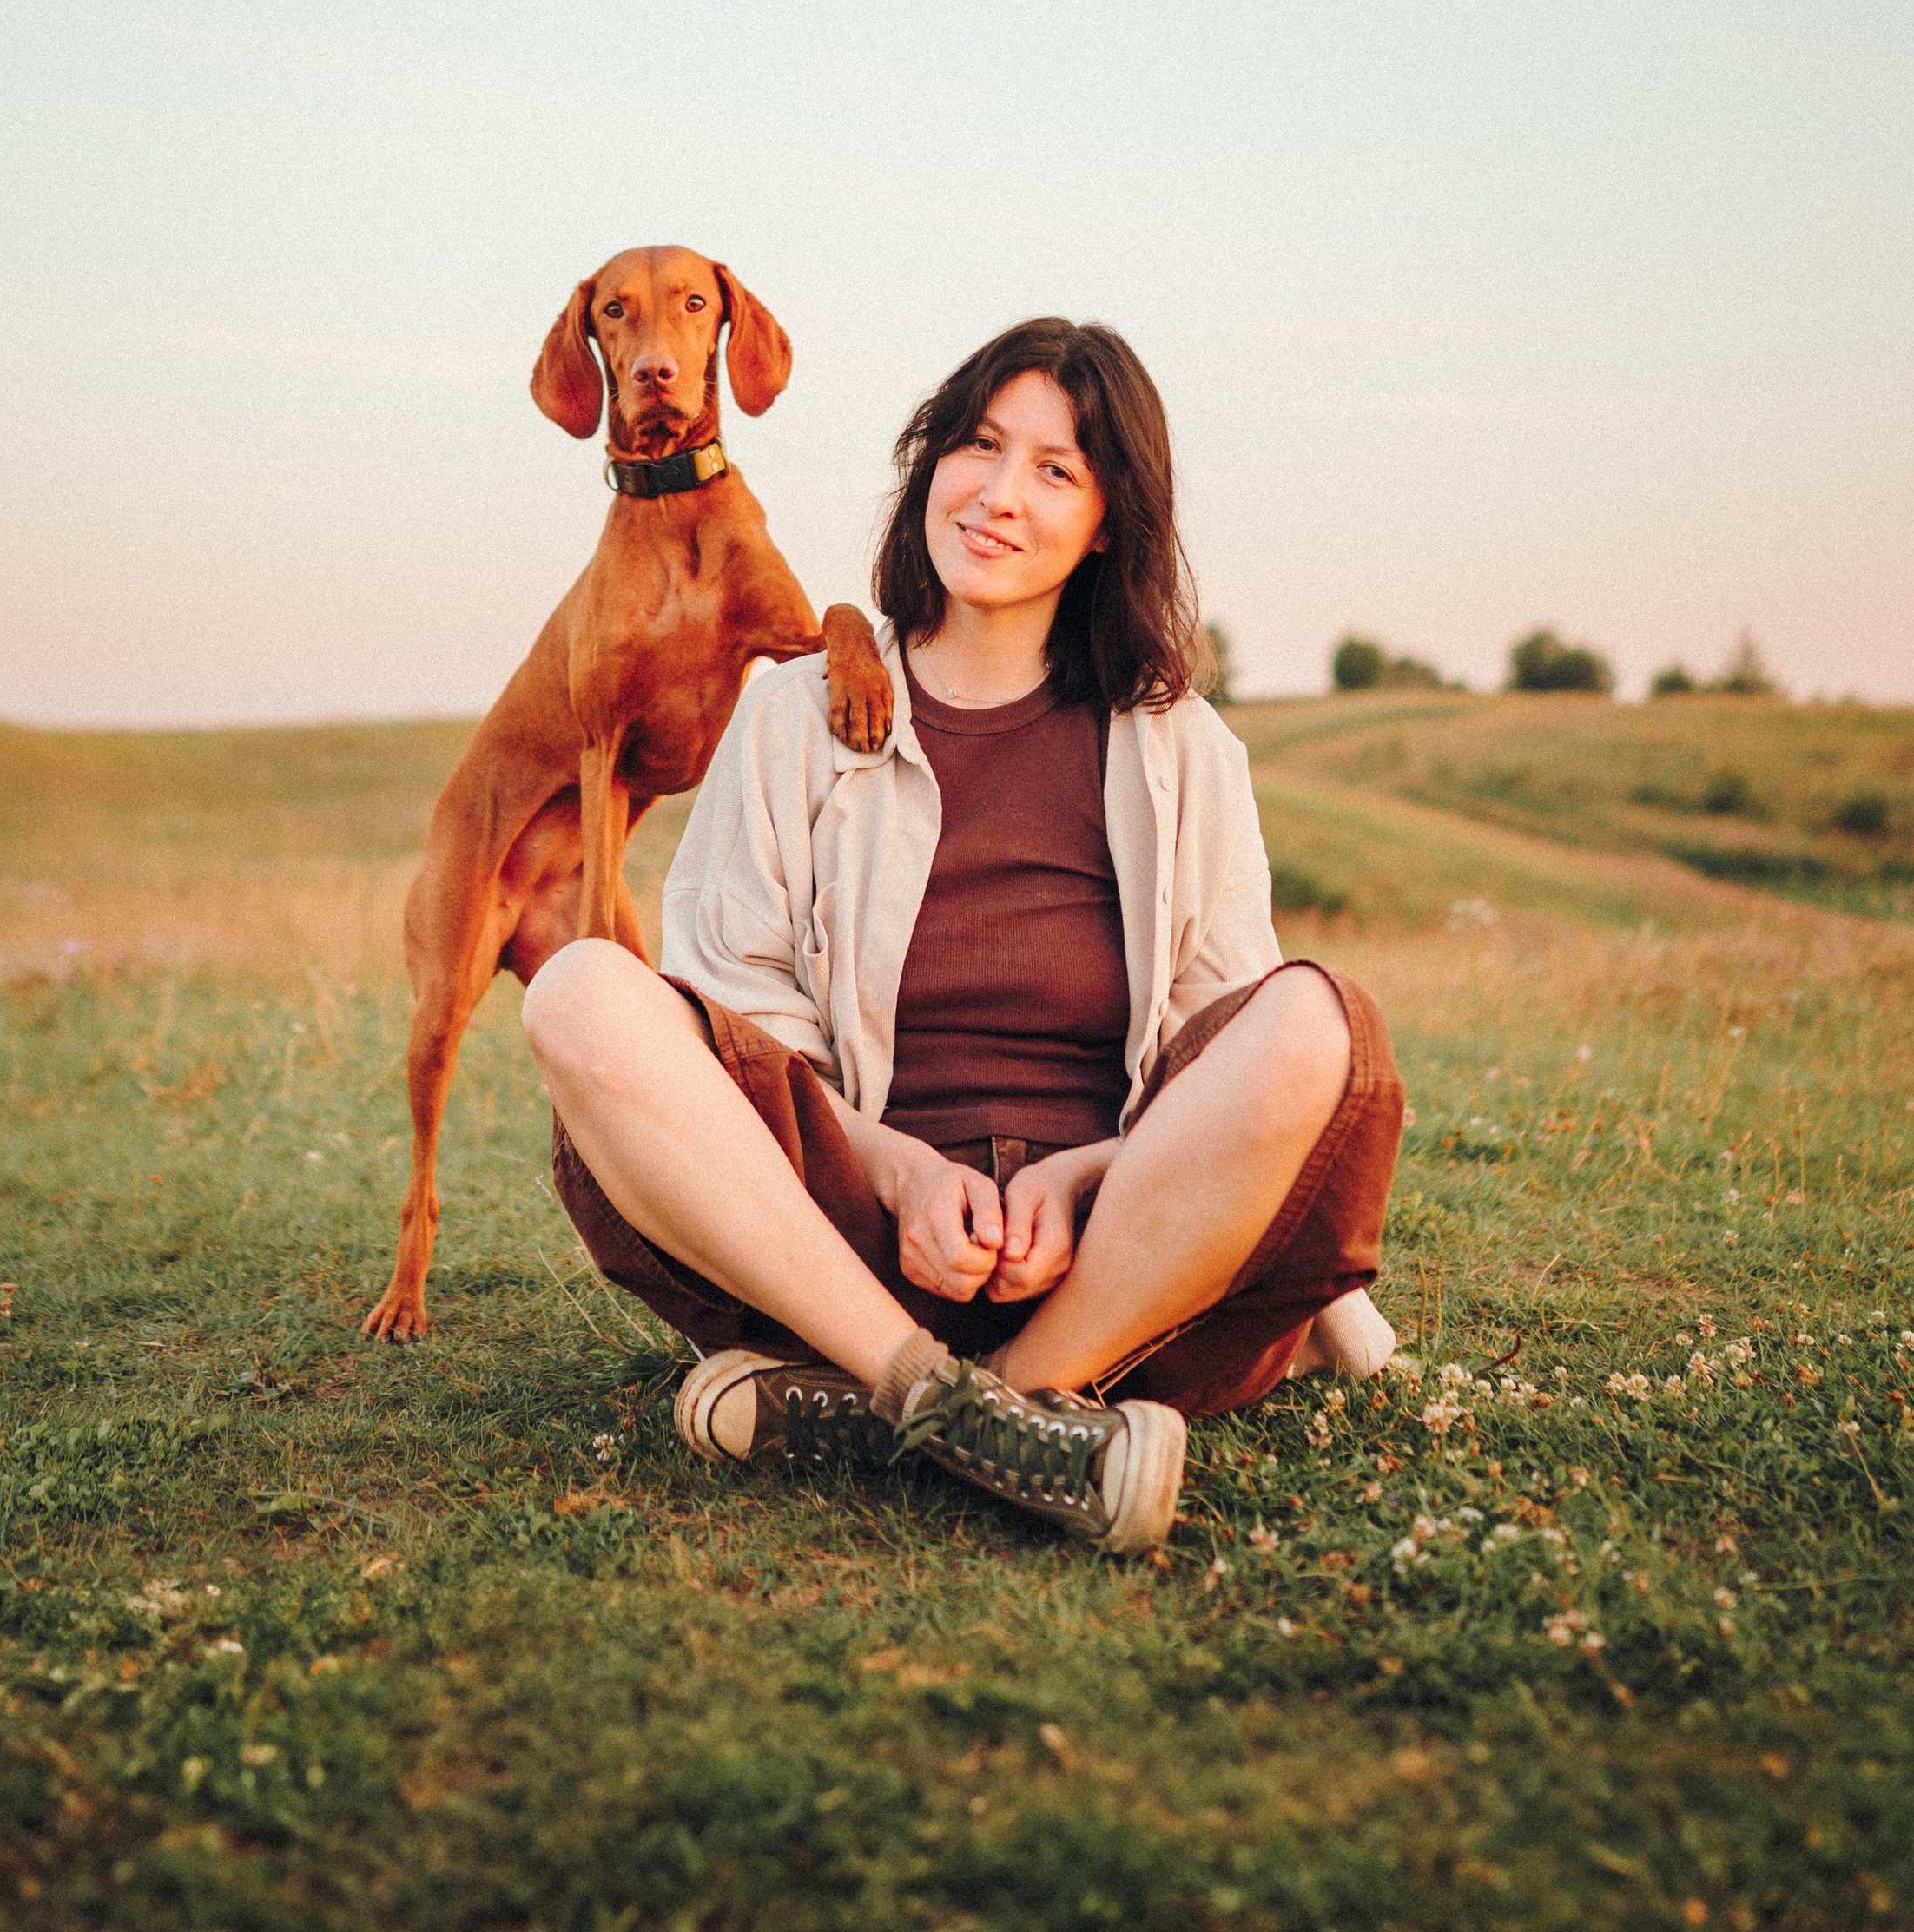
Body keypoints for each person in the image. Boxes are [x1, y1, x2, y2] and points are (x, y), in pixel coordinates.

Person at [523, 318, 1403, 1555]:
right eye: (978, 446)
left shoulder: (1182, 748)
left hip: (1116, 1260)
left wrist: (1087, 1174)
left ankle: (964, 1397)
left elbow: (1226, 1051)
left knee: (1319, 1022)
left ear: (1110, 521)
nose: (997, 495)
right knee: (577, 991)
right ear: (929, 463)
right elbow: (741, 1010)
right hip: (837, 1234)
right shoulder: (794, 717)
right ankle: (957, 1400)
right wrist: (899, 1171)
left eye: (1056, 469)